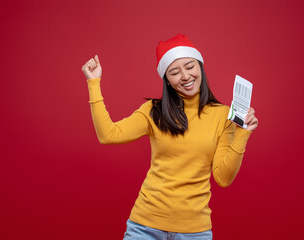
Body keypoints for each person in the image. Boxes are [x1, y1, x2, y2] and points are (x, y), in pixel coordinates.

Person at [81, 34, 258, 240]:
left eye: (190, 66)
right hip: (145, 225)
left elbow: (223, 178)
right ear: (167, 79)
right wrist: (94, 83)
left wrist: (242, 133)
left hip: (195, 231)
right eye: (174, 72)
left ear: (200, 66)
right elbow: (108, 135)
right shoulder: (153, 111)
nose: (185, 76)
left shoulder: (222, 115)